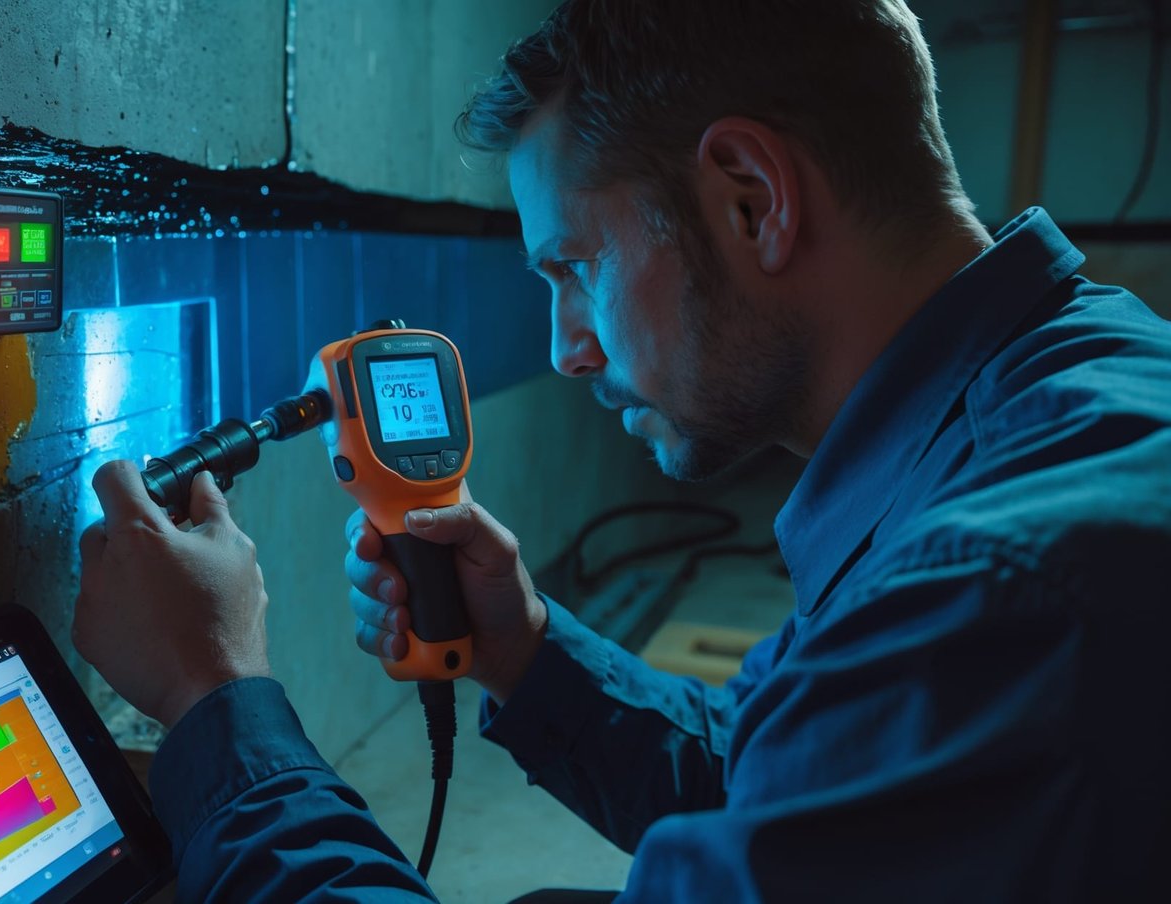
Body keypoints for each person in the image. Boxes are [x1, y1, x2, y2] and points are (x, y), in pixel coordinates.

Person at [73, 0, 1171, 899]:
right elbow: (785, 781)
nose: (567, 350)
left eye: (576, 267)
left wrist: (214, 697)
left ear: (752, 200)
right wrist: (525, 650)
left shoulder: (996, 594)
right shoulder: (1059, 404)